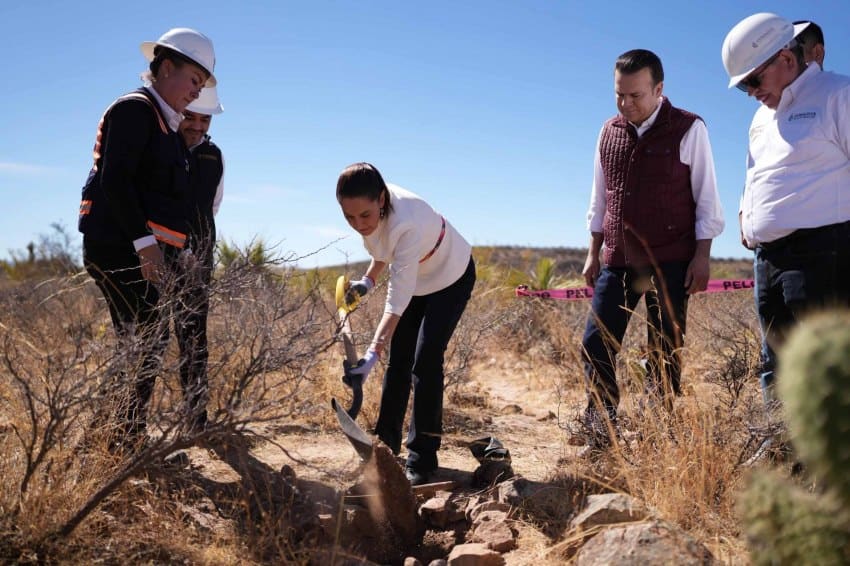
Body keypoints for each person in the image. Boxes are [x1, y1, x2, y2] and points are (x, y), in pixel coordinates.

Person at [578, 49, 725, 449]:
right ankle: (600, 429)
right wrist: (594, 249)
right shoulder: (608, 132)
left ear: (659, 89)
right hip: (619, 261)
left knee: (663, 351)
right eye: (619, 95)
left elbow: (707, 199)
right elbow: (600, 197)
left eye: (636, 95)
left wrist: (702, 255)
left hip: (672, 262)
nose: (626, 104)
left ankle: (658, 432)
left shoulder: (689, 129)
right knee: (596, 343)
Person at [78, 28, 216, 451]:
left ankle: (112, 438)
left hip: (145, 251)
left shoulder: (167, 129)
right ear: (166, 67)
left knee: (143, 341)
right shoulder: (135, 111)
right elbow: (115, 180)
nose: (196, 93)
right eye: (194, 80)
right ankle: (119, 442)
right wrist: (145, 244)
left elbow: (169, 205)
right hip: (120, 247)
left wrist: (183, 251)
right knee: (146, 338)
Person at [722, 14, 850, 414]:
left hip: (823, 254)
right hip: (768, 259)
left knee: (824, 368)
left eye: (752, 81)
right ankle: (781, 453)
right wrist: (747, 214)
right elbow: (754, 172)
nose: (749, 92)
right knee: (775, 365)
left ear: (787, 60)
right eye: (743, 85)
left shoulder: (837, 94)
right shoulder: (761, 116)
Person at [337, 163, 476, 485]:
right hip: (417, 278)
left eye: (364, 216)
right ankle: (385, 447)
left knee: (425, 361)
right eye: (349, 217)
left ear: (381, 200)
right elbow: (383, 250)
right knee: (398, 361)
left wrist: (370, 355)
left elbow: (396, 302)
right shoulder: (370, 211)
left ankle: (423, 461)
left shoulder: (406, 223)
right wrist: (368, 282)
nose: (359, 224)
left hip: (450, 276)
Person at [174, 86, 225, 432]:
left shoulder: (214, 154)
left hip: (200, 253)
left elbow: (213, 204)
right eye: (189, 116)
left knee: (194, 337)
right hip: (160, 250)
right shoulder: (162, 147)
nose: (196, 125)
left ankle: (195, 420)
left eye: (204, 118)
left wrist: (197, 249)